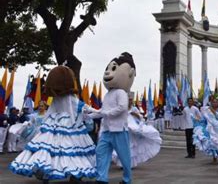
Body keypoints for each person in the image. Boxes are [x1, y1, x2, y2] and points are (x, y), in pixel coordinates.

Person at [9, 65, 97, 182]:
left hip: (53, 125)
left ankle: (46, 172)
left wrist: (43, 128)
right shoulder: (71, 99)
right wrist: (102, 112)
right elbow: (83, 107)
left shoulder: (57, 99)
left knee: (49, 151)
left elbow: (49, 113)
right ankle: (75, 174)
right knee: (73, 152)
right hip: (70, 127)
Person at [87, 52, 136, 184]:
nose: (108, 73)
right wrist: (89, 114)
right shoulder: (108, 94)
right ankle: (102, 178)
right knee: (101, 152)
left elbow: (122, 108)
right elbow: (102, 111)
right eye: (107, 69)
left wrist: (105, 113)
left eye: (113, 69)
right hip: (107, 130)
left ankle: (127, 179)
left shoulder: (121, 92)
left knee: (124, 156)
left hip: (119, 130)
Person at [112, 97, 162, 168]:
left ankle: (129, 164)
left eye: (131, 101)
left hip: (131, 131)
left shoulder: (134, 109)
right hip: (123, 129)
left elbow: (140, 117)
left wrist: (134, 115)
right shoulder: (122, 109)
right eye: (129, 101)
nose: (130, 102)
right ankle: (122, 163)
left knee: (130, 146)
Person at [193, 97, 218, 162]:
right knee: (211, 142)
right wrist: (198, 119)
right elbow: (204, 119)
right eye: (213, 102)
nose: (215, 103)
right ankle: (214, 156)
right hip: (209, 128)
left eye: (216, 102)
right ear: (211, 103)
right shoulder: (207, 111)